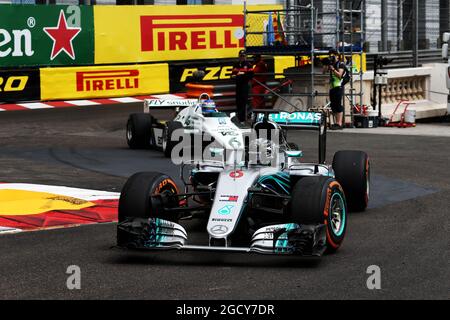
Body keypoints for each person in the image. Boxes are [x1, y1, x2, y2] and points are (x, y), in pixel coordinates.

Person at [324, 49, 346, 130]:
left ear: (337, 56)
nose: (331, 57)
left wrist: (333, 69)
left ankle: (339, 123)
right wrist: (326, 65)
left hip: (338, 86)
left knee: (338, 105)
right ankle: (336, 123)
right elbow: (323, 72)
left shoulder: (340, 64)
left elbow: (340, 75)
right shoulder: (331, 64)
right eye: (330, 56)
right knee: (333, 105)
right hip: (332, 87)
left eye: (332, 56)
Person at [232, 49, 253, 122]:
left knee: (244, 102)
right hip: (238, 86)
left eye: (243, 56)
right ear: (239, 56)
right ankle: (239, 117)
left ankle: (243, 119)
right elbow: (233, 74)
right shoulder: (236, 64)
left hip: (245, 86)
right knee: (238, 101)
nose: (242, 57)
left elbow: (250, 75)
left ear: (246, 56)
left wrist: (240, 75)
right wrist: (240, 75)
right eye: (241, 56)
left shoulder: (248, 65)